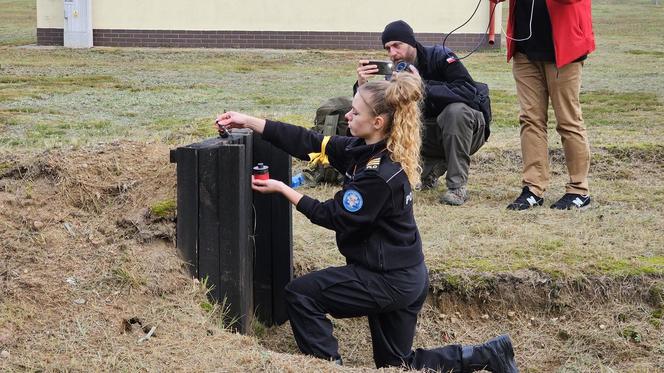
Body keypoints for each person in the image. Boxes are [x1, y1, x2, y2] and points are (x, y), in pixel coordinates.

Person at [215, 73, 517, 372]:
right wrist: (250, 121)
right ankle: (486, 356)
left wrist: (285, 190)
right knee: (397, 364)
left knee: (301, 294)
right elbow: (308, 141)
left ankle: (328, 367)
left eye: (355, 111)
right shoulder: (363, 149)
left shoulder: (378, 175)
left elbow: (333, 216)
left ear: (378, 123)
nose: (347, 114)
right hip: (406, 275)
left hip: (388, 280)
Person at [355, 20, 491, 206]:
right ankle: (431, 167)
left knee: (455, 111)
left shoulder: (441, 56)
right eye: (388, 49)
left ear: (411, 42)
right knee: (389, 118)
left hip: (467, 131)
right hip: (429, 136)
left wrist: (422, 85)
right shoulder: (394, 74)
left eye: (397, 45)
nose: (392, 53)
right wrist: (362, 86)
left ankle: (457, 187)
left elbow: (469, 92)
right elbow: (378, 115)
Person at [491, 0, 595, 210]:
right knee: (530, 120)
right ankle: (533, 188)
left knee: (568, 120)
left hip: (564, 49)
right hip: (525, 49)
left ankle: (578, 190)